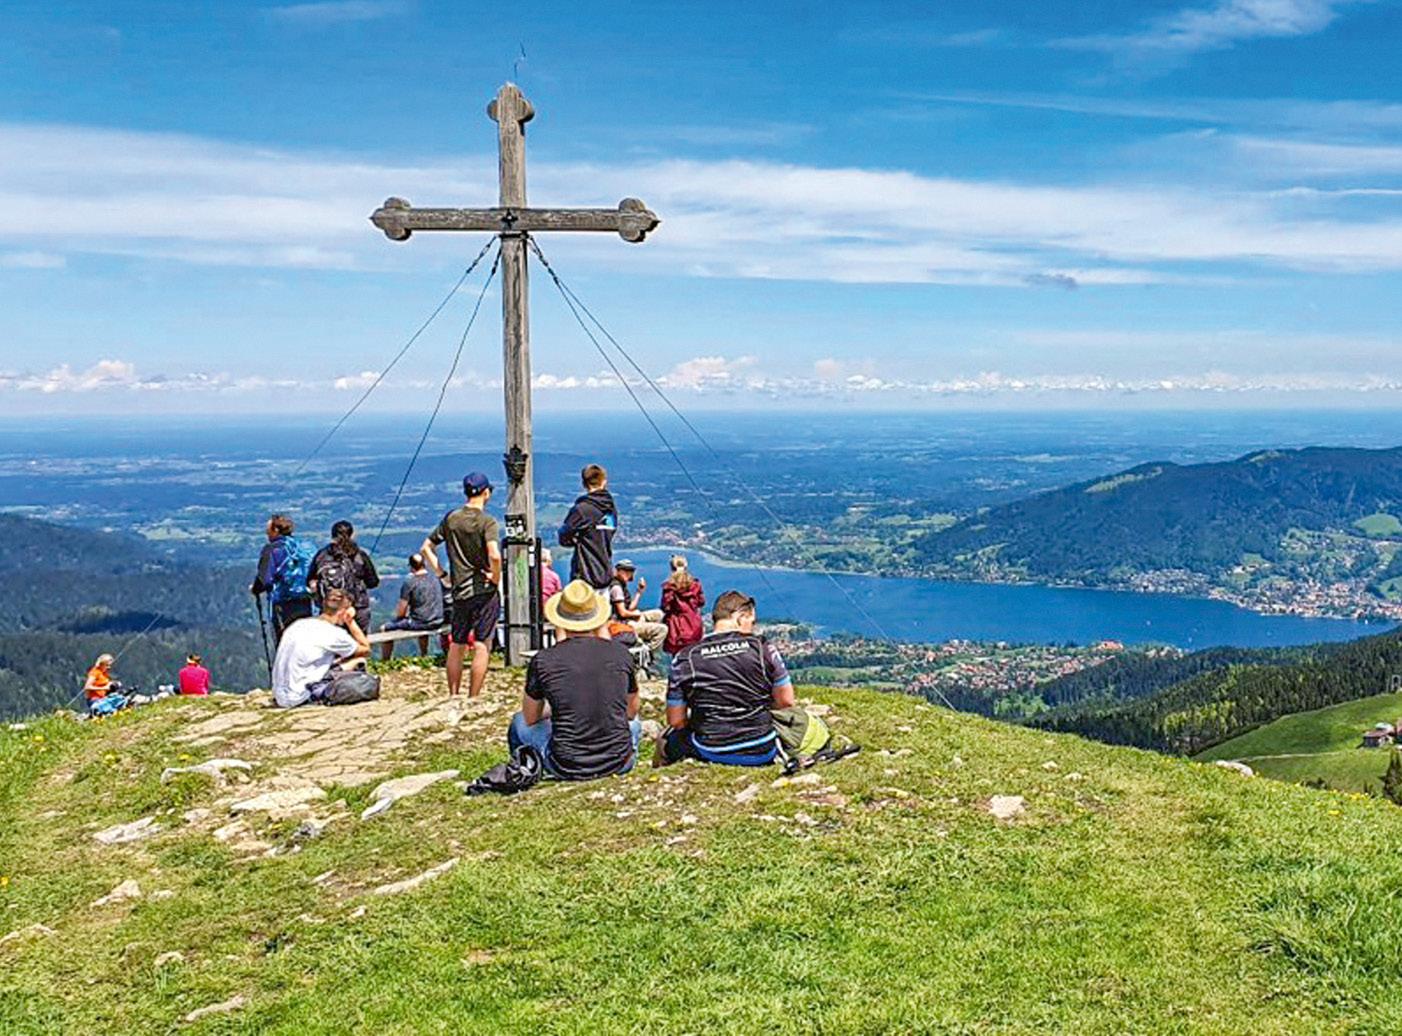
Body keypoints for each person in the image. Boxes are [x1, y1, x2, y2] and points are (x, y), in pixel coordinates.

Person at [507, 579, 642, 779]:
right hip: (619, 762)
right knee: (635, 723)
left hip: (566, 765)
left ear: (559, 620)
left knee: (519, 722)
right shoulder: (621, 654)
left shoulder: (543, 660)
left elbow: (530, 717)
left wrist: (558, 708)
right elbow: (631, 710)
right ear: (597, 617)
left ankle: (526, 769)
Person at [655, 590, 794, 768]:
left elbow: (676, 721)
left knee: (664, 740)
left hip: (711, 748)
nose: (752, 628)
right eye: (751, 622)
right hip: (762, 746)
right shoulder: (763, 648)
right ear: (740, 617)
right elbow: (786, 701)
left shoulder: (685, 658)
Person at [420, 472, 501, 698]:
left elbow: (426, 547)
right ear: (486, 493)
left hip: (459, 590)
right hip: (484, 590)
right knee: (482, 644)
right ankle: (473, 696)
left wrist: (442, 574)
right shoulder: (487, 522)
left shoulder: (451, 519)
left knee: (457, 643)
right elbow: (494, 555)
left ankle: (453, 694)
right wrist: (495, 577)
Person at [272, 588, 370, 709]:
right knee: (359, 661)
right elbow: (365, 649)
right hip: (301, 697)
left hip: (280, 696)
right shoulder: (334, 634)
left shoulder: (297, 625)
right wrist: (350, 621)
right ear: (343, 612)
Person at [250, 514, 315, 644]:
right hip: (305, 600)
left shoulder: (273, 549)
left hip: (282, 602)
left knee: (285, 642)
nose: (266, 533)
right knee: (305, 639)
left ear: (276, 530)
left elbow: (265, 579)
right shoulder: (302, 548)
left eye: (268, 530)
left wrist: (255, 589)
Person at [309, 520, 380, 633]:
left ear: (332, 535)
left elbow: (310, 580)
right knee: (359, 641)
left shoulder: (321, 555)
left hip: (330, 610)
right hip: (357, 608)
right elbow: (373, 582)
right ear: (352, 535)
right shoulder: (359, 555)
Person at [557, 463, 617, 589]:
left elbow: (564, 535)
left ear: (584, 484)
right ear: (604, 482)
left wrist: (575, 541)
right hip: (605, 574)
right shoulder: (611, 510)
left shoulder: (582, 510)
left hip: (585, 575)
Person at [378, 553, 446, 660]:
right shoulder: (435, 578)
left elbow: (402, 609)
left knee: (384, 628)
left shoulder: (410, 582)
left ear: (411, 567)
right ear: (424, 564)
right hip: (438, 620)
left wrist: (399, 619)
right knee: (423, 616)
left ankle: (385, 660)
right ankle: (424, 655)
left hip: (420, 622)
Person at [607, 559, 667, 657]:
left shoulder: (621, 585)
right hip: (622, 624)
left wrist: (639, 592)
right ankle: (646, 653)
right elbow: (623, 613)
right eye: (625, 570)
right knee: (662, 629)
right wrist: (636, 614)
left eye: (630, 571)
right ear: (618, 571)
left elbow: (630, 607)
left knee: (659, 614)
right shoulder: (616, 588)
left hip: (626, 619)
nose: (628, 573)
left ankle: (645, 637)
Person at [661, 554, 705, 655]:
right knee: (693, 655)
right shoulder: (695, 585)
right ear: (686, 566)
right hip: (694, 625)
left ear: (672, 568)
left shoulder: (669, 587)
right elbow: (701, 602)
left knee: (677, 658)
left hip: (676, 628)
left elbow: (665, 607)